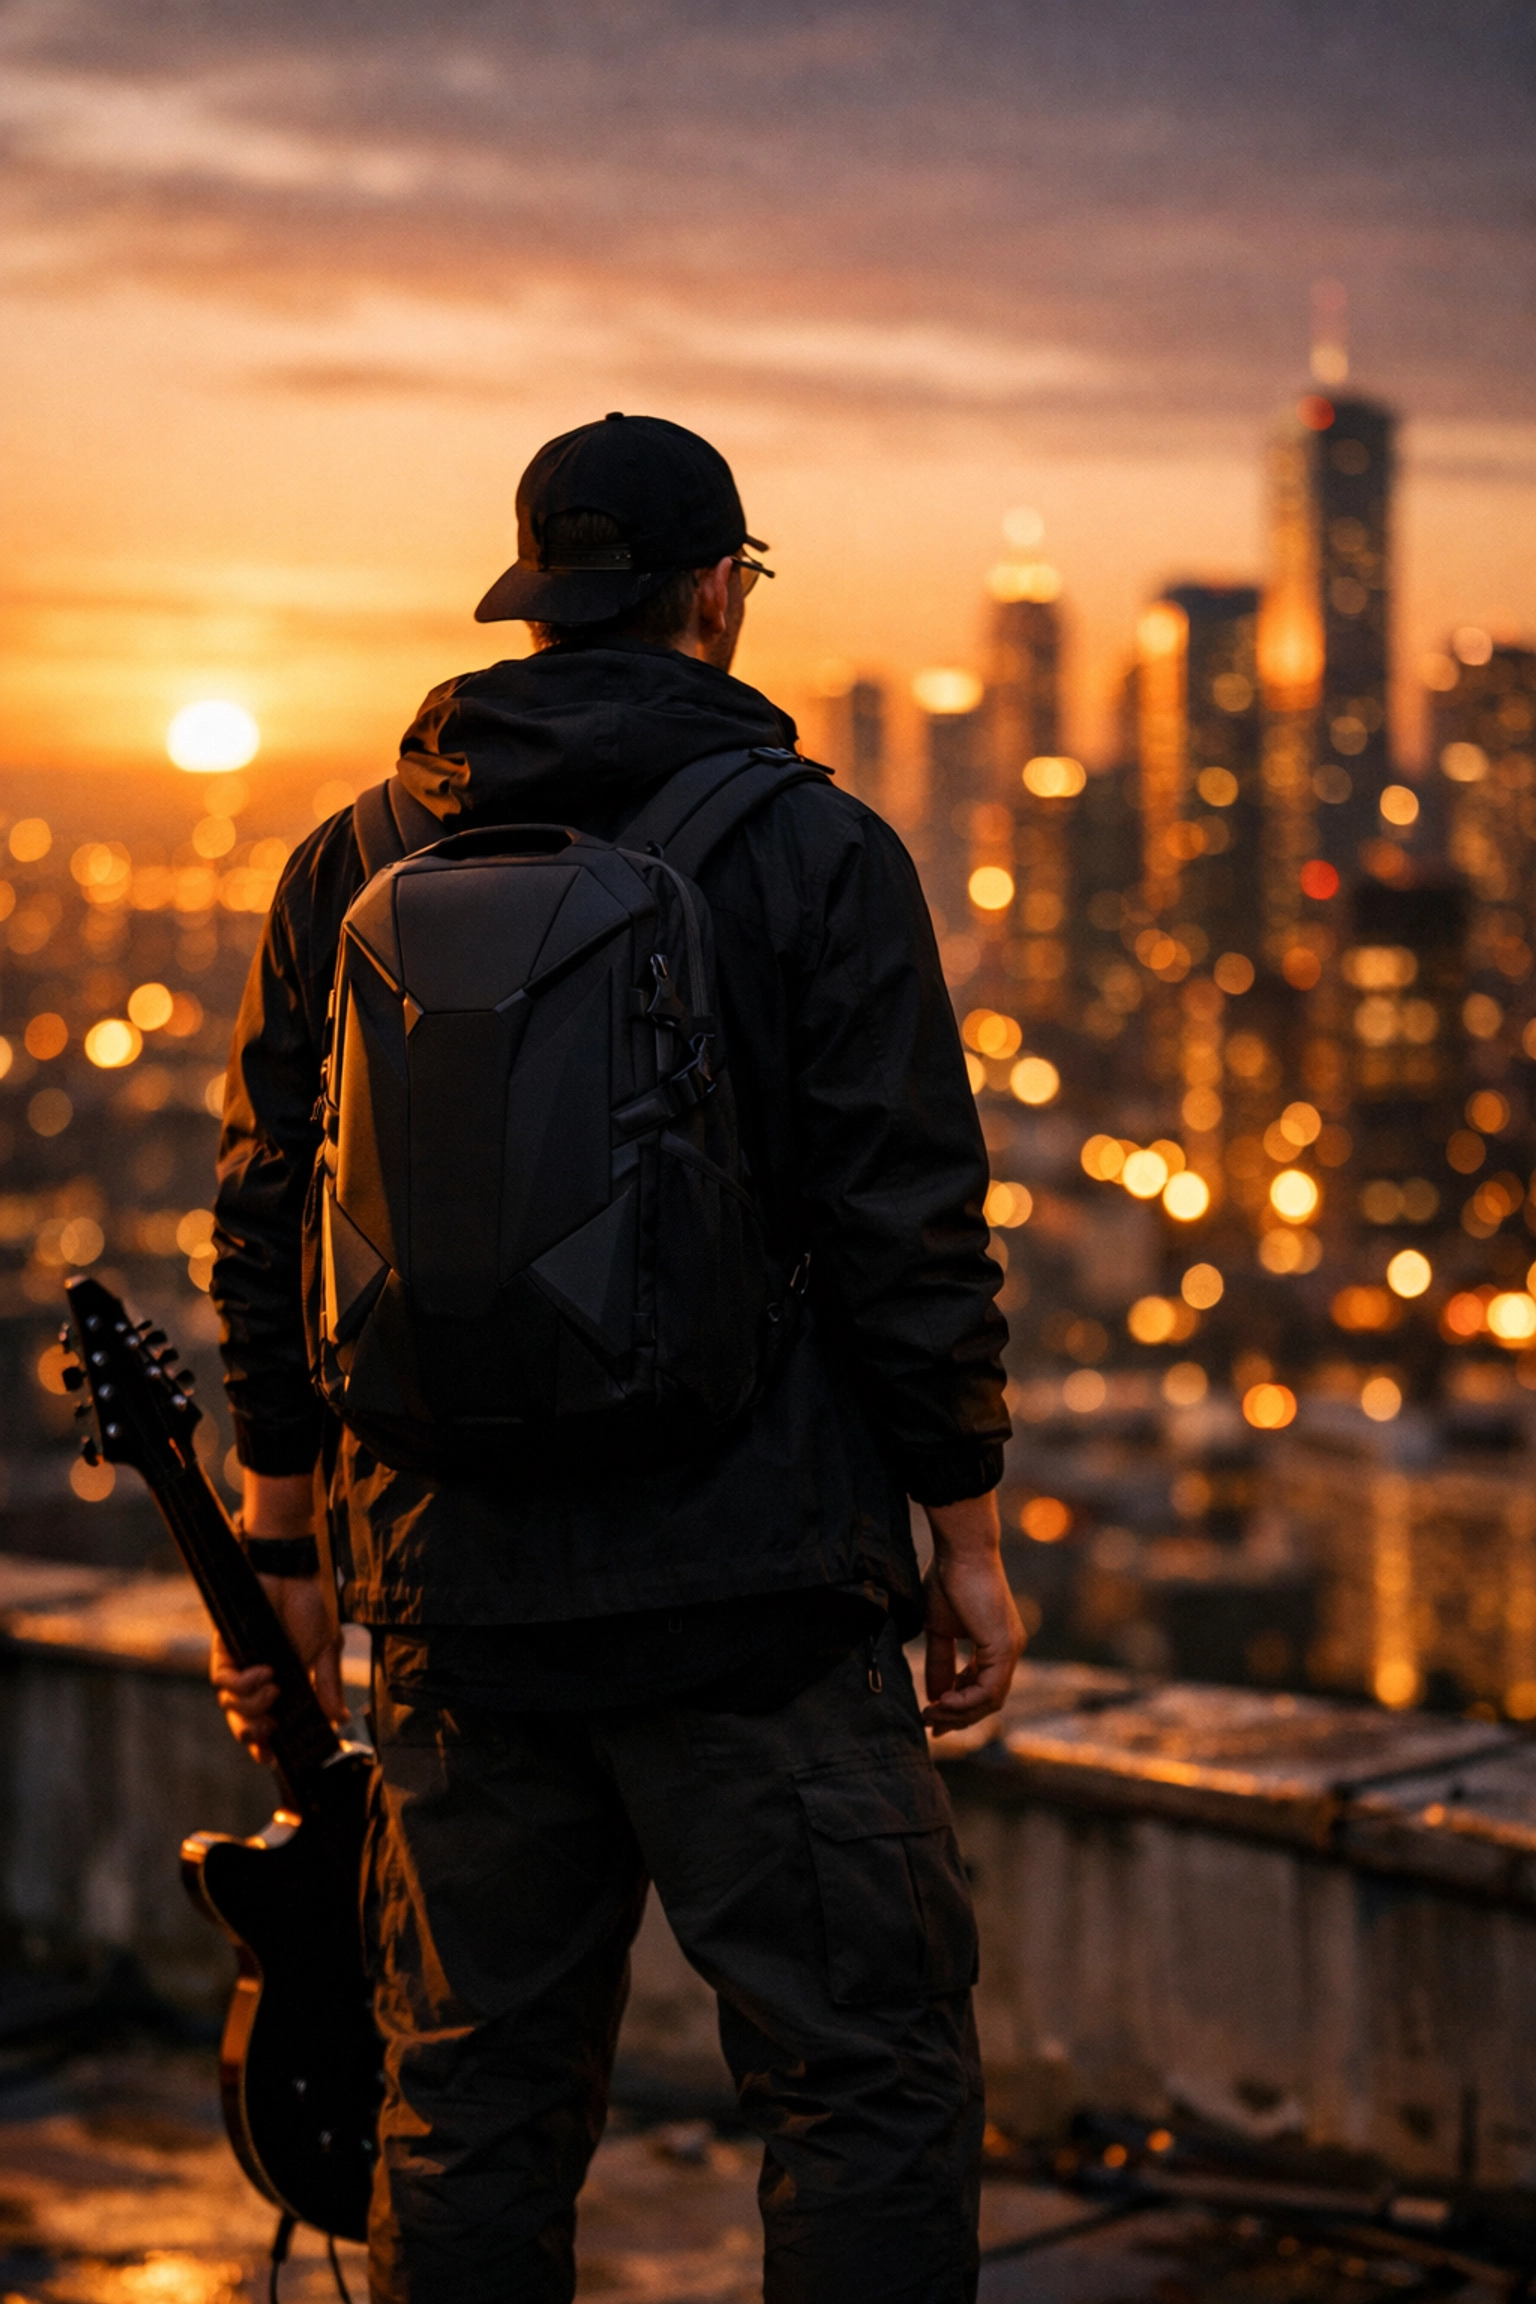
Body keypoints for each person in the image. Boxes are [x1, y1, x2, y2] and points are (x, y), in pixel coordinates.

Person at [209, 412, 1021, 2304]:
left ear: (536, 597)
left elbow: (266, 1219)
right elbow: (912, 1221)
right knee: (862, 2081)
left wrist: (284, 1540)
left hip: (456, 1597)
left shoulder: (354, 857)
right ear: (718, 594)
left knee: (471, 2099)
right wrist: (967, 1537)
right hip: (761, 1601)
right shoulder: (816, 849)